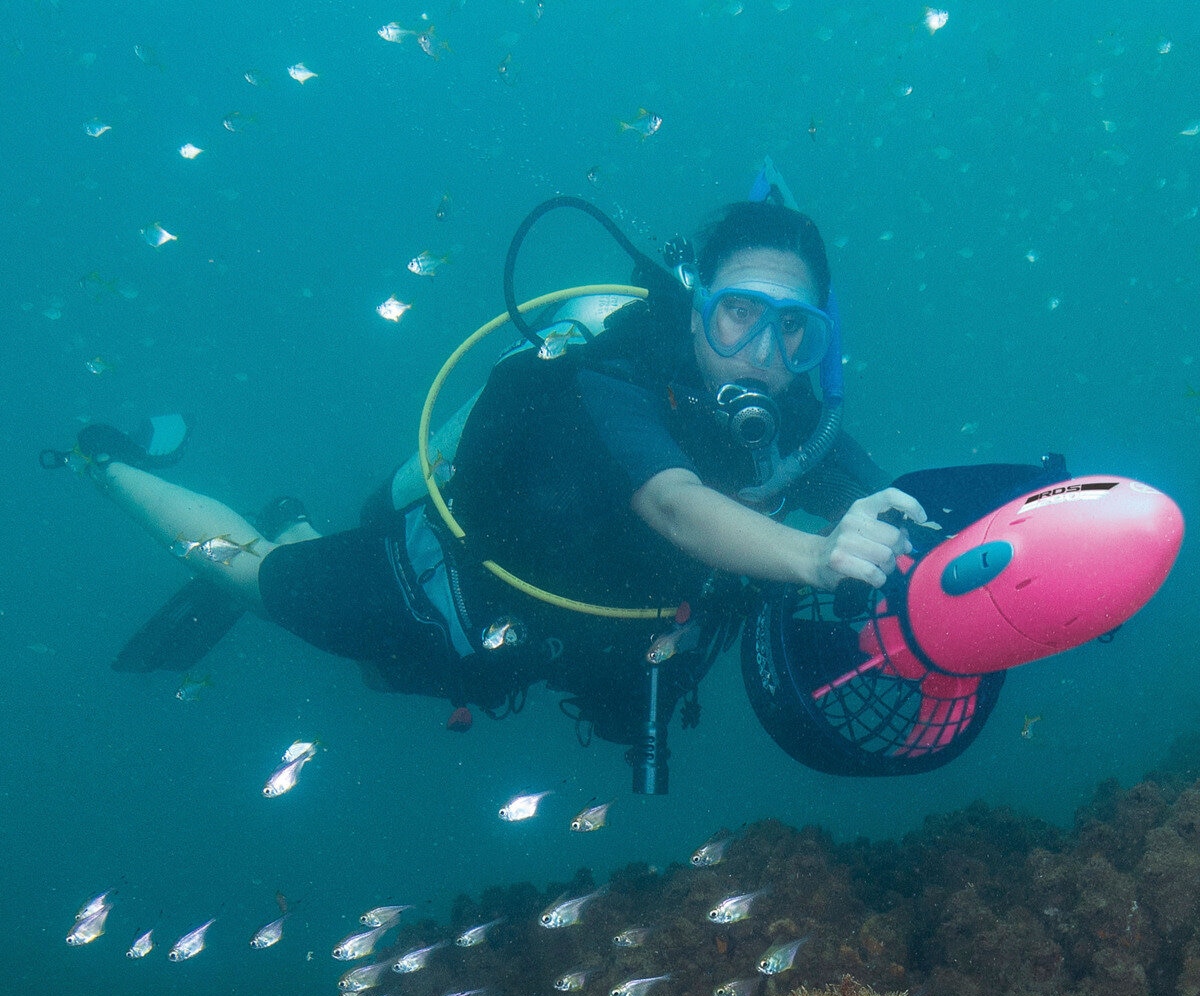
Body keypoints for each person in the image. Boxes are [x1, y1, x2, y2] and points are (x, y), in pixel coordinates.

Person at [49, 191, 925, 792]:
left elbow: (898, 503)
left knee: (385, 679)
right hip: (437, 583)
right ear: (697, 305)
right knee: (256, 580)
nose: (764, 354)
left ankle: (296, 524)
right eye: (740, 312)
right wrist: (814, 553)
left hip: (564, 636)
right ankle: (105, 464)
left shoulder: (798, 417)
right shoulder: (612, 375)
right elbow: (670, 504)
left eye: (794, 329)